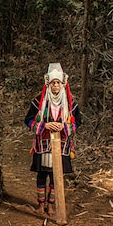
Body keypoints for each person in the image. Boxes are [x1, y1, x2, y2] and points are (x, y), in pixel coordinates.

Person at [24, 63, 81, 216]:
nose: (55, 86)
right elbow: (28, 121)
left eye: (58, 83)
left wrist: (64, 127)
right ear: (48, 84)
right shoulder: (39, 102)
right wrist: (44, 125)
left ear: (63, 84)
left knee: (56, 177)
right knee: (42, 175)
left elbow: (77, 122)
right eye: (53, 83)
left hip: (62, 145)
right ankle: (41, 205)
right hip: (43, 145)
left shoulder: (70, 104)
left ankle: (51, 205)